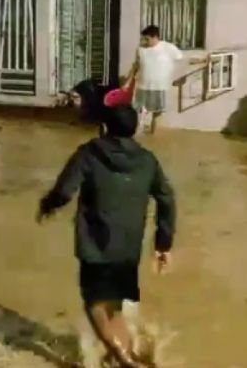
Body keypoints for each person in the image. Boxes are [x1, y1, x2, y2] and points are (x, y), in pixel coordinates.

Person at [37, 105, 176, 368]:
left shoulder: (89, 154)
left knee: (94, 303)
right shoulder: (147, 160)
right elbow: (167, 199)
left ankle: (124, 359)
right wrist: (163, 244)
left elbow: (65, 191)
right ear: (135, 129)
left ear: (104, 127)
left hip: (96, 246)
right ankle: (126, 354)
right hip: (128, 247)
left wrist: (47, 205)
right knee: (113, 305)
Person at [124, 25, 185, 134]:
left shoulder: (168, 47)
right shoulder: (141, 49)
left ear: (155, 37)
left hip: (160, 86)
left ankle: (153, 130)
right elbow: (135, 66)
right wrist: (127, 82)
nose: (145, 41)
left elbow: (183, 59)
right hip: (143, 85)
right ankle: (138, 129)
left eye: (147, 39)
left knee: (158, 110)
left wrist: (200, 60)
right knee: (140, 109)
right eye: (144, 39)